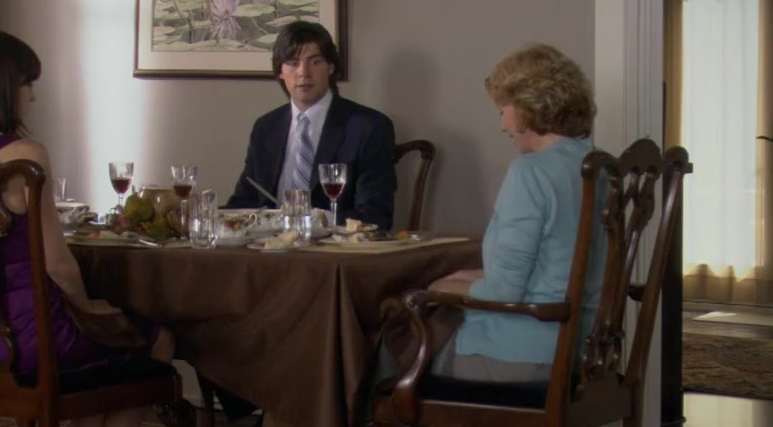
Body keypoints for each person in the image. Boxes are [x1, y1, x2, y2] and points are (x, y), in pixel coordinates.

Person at [0, 29, 176, 427]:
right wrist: (88, 308)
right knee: (156, 340)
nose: (33, 96)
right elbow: (56, 262)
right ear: (2, 86)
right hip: (33, 337)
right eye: (28, 84)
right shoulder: (24, 155)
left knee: (101, 368)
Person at [377, 42, 605, 390]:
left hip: (523, 355)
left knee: (386, 350)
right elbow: (553, 268)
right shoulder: (597, 167)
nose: (502, 125)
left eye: (503, 110)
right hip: (584, 353)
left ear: (528, 106)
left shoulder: (530, 172)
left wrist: (440, 289)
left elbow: (503, 291)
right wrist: (465, 276)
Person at [225, 21, 397, 229]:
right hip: (268, 244)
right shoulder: (266, 127)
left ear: (331, 67)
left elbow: (375, 216)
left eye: (315, 62)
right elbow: (243, 203)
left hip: (334, 245)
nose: (303, 73)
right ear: (280, 71)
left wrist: (313, 222)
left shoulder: (369, 127)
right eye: (293, 63)